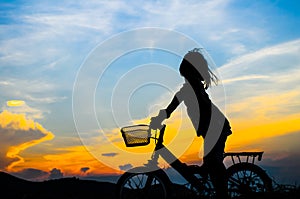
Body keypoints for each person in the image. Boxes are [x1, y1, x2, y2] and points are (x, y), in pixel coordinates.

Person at [150, 48, 232, 199]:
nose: (185, 78)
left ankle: (223, 194)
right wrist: (162, 116)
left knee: (213, 166)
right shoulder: (193, 88)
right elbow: (172, 106)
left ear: (190, 73)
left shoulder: (191, 89)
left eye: (186, 75)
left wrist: (159, 118)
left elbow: (172, 106)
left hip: (216, 129)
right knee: (209, 165)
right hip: (213, 129)